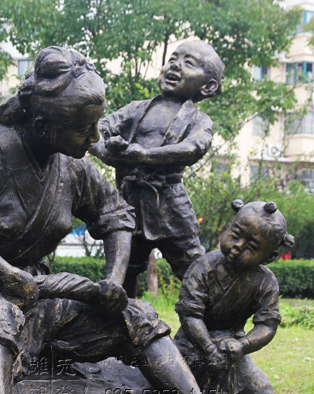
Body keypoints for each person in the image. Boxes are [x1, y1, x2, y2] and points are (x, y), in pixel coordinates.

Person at [0, 46, 262, 394]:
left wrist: (113, 282)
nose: (95, 138)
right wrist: (4, 272)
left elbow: (116, 215)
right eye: (85, 128)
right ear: (43, 125)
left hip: (39, 296)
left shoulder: (72, 167)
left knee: (138, 315)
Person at [91, 39, 223, 295]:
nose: (175, 66)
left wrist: (145, 155)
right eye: (173, 59)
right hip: (129, 202)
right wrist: (108, 152)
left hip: (171, 205)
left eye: (188, 63)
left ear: (208, 86)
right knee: (123, 269)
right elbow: (96, 130)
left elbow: (193, 148)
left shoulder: (199, 119)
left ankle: (208, 316)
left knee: (193, 268)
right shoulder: (136, 108)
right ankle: (120, 317)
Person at [174, 200, 295, 394]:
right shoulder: (204, 265)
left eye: (251, 246)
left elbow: (267, 324)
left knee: (260, 386)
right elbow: (190, 315)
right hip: (192, 341)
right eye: (235, 234)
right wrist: (209, 348)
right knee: (172, 383)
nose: (237, 246)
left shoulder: (265, 282)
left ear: (269, 257)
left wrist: (243, 345)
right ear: (228, 227)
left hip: (233, 345)